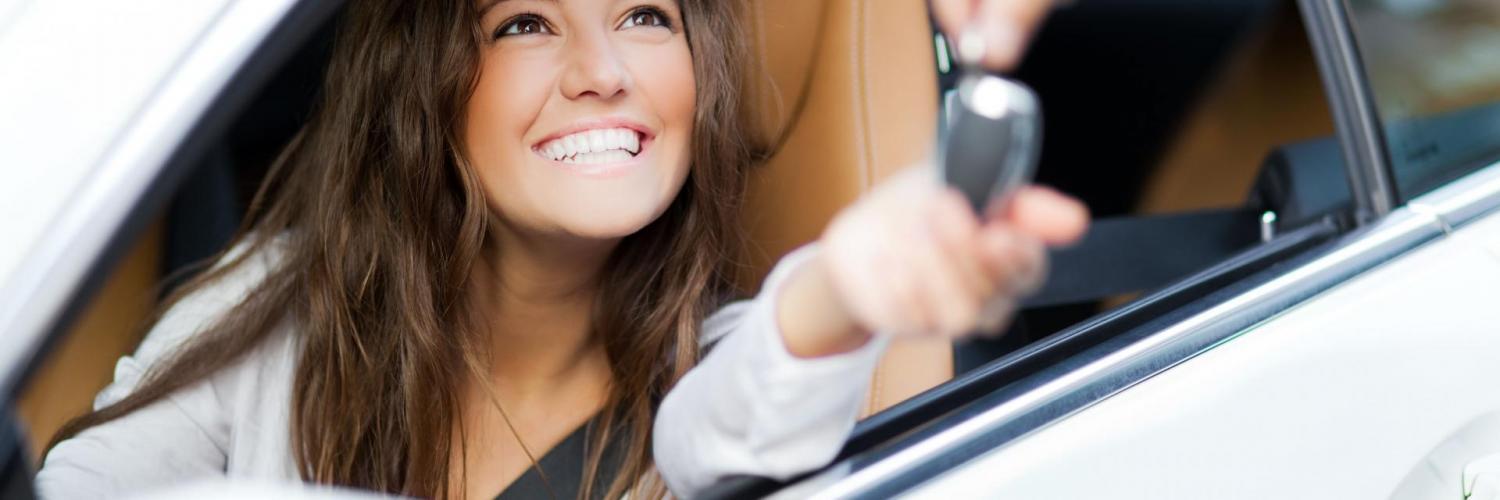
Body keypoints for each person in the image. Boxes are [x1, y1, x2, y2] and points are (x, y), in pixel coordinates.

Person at [37, 0, 1083, 498]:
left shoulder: (716, 362)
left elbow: (740, 422)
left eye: (643, 15)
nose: (601, 70)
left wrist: (842, 292)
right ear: (427, 94)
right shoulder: (277, 301)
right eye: (527, 23)